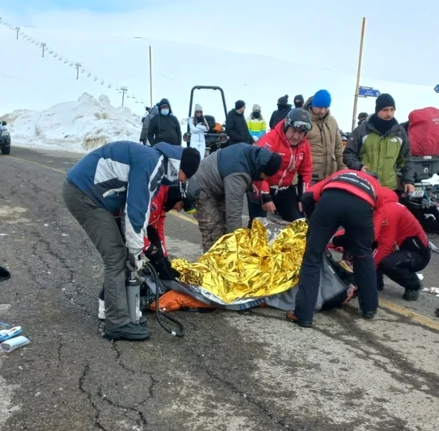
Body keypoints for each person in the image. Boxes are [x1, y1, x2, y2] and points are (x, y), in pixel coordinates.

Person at [63, 141, 201, 341]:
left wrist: (142, 251)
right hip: (85, 195)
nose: (183, 180)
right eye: (186, 176)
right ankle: (117, 323)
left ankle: (117, 312)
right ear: (182, 168)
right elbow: (136, 211)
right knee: (117, 257)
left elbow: (140, 212)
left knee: (123, 255)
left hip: (92, 196)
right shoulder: (153, 163)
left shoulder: (157, 162)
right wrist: (138, 250)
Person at [98, 177, 201, 320]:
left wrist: (163, 259)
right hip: (110, 215)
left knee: (138, 257)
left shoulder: (164, 201)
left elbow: (157, 228)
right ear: (177, 195)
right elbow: (131, 227)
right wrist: (147, 246)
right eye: (182, 205)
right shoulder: (153, 196)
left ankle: (117, 304)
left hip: (126, 221)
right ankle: (108, 309)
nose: (178, 210)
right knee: (122, 260)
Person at [288, 169, 381, 327]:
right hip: (362, 206)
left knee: (312, 257)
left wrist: (314, 224)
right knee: (363, 256)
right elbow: (378, 213)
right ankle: (369, 308)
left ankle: (303, 315)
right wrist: (361, 240)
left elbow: (307, 197)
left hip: (331, 201)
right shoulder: (377, 186)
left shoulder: (340, 173)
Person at [194, 143, 283, 252]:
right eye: (265, 175)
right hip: (202, 187)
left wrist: (250, 183)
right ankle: (212, 265)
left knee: (225, 228)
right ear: (261, 169)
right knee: (213, 229)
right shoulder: (238, 176)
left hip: (216, 183)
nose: (264, 178)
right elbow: (233, 214)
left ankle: (225, 259)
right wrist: (238, 245)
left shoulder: (251, 154)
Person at [248, 108, 313, 224]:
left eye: (301, 133)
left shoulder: (304, 145)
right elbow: (257, 169)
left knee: (299, 223)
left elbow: (306, 172)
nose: (296, 137)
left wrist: (303, 198)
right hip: (261, 185)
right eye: (293, 131)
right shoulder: (270, 139)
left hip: (284, 188)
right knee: (256, 225)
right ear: (287, 126)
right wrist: (265, 196)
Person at [344, 93, 414, 193]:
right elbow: (348, 154)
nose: (389, 113)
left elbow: (406, 159)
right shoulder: (362, 131)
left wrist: (409, 181)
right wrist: (358, 167)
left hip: (389, 188)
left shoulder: (400, 132)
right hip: (364, 185)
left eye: (392, 110)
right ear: (377, 110)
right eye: (385, 110)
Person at [372, 188, 430, 301]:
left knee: (387, 263)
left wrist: (367, 270)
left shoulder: (389, 210)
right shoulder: (379, 205)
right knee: (367, 245)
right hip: (400, 248)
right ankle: (375, 281)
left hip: (418, 254)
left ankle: (414, 285)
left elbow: (385, 246)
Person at [304, 89, 346, 183]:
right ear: (312, 106)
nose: (323, 111)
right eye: (319, 107)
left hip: (331, 176)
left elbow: (338, 147)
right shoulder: (304, 121)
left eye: (326, 107)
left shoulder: (332, 122)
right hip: (311, 177)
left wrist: (342, 168)